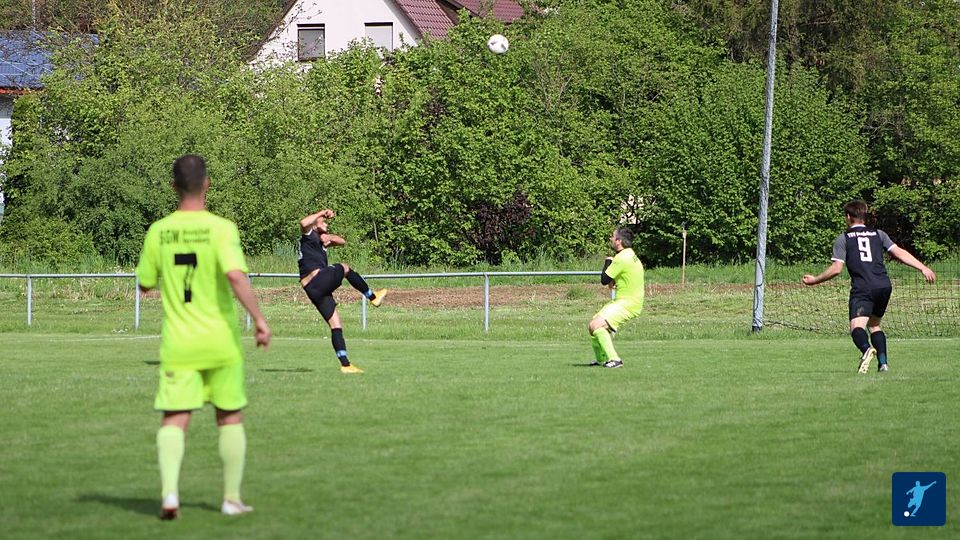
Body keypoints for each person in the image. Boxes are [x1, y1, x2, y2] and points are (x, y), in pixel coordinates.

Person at [135, 154, 271, 520]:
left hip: (179, 343)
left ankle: (169, 495)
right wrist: (259, 319)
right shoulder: (221, 228)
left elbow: (145, 283)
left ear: (173, 186)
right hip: (220, 341)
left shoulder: (158, 231)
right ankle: (230, 499)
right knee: (229, 417)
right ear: (207, 183)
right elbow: (235, 275)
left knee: (174, 419)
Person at [802, 200, 936, 373]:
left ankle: (866, 350)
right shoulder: (879, 234)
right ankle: (883, 364)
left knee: (857, 327)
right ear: (864, 216)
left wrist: (814, 280)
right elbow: (899, 252)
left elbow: (836, 269)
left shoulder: (843, 238)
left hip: (863, 287)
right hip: (884, 286)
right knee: (874, 325)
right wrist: (923, 267)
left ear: (848, 217)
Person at [298, 209, 386, 373]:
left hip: (314, 290)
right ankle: (373, 297)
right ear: (315, 224)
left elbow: (342, 241)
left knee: (336, 325)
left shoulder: (321, 240)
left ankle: (346, 365)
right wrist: (321, 213)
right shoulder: (308, 234)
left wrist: (328, 237)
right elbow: (303, 222)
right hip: (317, 282)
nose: (326, 223)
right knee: (344, 267)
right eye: (323, 222)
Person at [588, 227, 645, 368]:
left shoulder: (621, 258)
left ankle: (615, 359)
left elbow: (604, 280)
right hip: (627, 301)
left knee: (596, 325)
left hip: (628, 303)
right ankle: (601, 360)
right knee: (592, 326)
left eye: (613, 237)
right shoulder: (630, 255)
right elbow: (612, 284)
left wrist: (608, 262)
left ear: (619, 241)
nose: (610, 239)